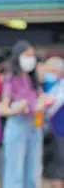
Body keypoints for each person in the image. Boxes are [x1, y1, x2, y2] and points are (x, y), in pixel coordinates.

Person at [0, 40, 45, 188]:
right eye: (27, 55)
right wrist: (16, 110)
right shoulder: (11, 79)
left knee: (33, 172)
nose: (30, 59)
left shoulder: (33, 80)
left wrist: (43, 104)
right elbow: (3, 109)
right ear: (18, 56)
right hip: (17, 125)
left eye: (32, 55)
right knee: (15, 171)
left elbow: (40, 99)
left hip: (35, 126)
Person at [42, 56, 64, 188]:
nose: (47, 73)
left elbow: (50, 105)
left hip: (60, 133)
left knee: (58, 173)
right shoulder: (52, 85)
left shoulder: (61, 86)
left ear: (57, 71)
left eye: (49, 70)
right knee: (53, 173)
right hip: (53, 132)